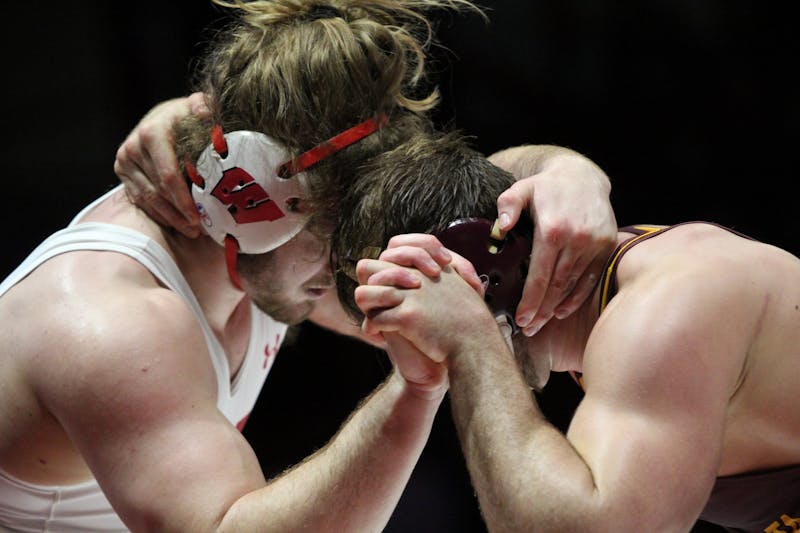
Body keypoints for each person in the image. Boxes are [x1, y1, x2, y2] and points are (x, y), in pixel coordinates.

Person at [0, 1, 617, 531]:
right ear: (243, 203)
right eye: (340, 236)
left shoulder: (264, 226)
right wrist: (412, 392)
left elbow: (477, 200)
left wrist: (569, 171)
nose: (359, 261)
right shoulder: (111, 324)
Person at [349, 130, 800, 532]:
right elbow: (483, 174)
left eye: (422, 322)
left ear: (484, 280)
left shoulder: (665, 313)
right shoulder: (603, 309)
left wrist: (471, 338)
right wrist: (564, 164)